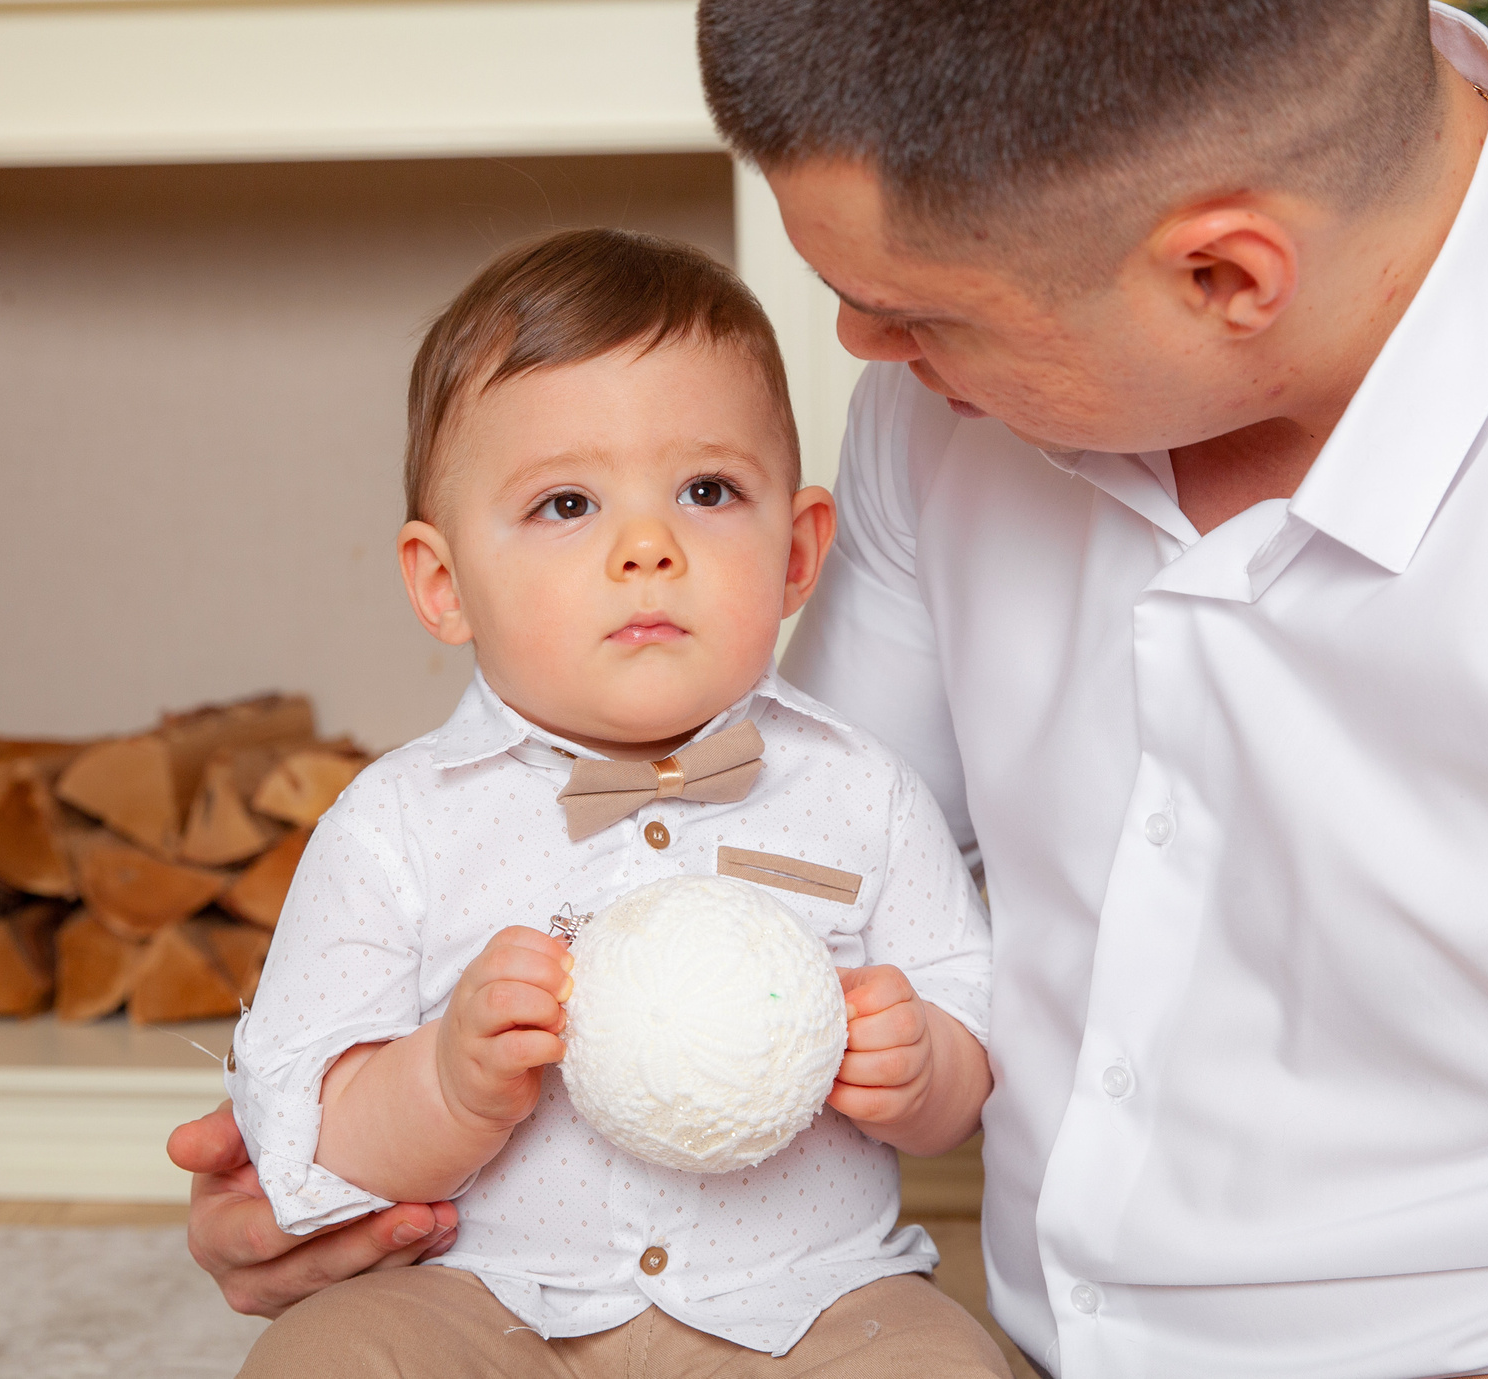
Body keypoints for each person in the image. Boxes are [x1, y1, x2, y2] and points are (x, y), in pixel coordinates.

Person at [174, 0, 1488, 1373]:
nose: (864, 350)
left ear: (1226, 271)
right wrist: (352, 1142)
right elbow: (785, 848)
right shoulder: (951, 419)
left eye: (919, 312)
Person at [219, 229, 1012, 1377]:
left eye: (706, 490)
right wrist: (442, 1082)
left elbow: (969, 1033)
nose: (648, 546)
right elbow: (310, 1124)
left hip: (809, 1309)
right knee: (326, 1358)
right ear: (444, 585)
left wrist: (923, 1065)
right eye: (565, 505)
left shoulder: (864, 793)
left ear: (796, 555)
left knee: (942, 1366)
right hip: (486, 1307)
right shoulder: (396, 826)